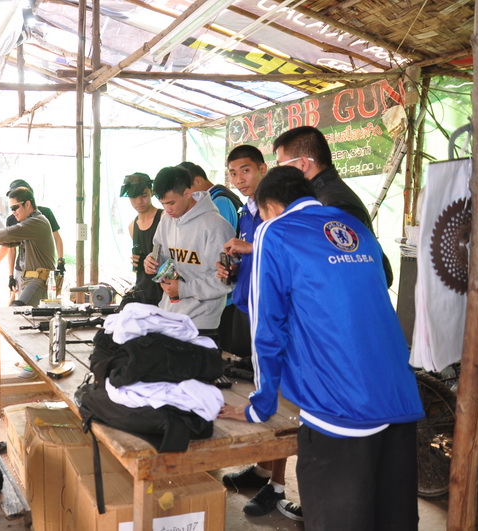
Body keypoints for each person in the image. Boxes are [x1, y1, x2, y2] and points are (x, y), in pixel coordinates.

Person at [219, 167, 424, 531]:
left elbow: (267, 327)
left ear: (270, 207)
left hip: (339, 406)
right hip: (400, 398)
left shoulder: (274, 231)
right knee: (393, 521)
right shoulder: (354, 226)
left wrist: (260, 405)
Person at [216, 146, 302, 521]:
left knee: (281, 403)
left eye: (246, 170)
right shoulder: (246, 211)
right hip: (252, 306)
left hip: (278, 313)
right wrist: (233, 268)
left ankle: (278, 488)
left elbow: (284, 251)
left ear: (264, 169)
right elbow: (255, 260)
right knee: (267, 390)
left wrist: (251, 246)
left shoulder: (283, 212)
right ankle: (264, 469)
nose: (239, 179)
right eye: (233, 173)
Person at [272, 125, 393, 286]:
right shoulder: (317, 198)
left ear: (303, 164)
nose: (279, 174)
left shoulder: (335, 205)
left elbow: (357, 271)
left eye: (281, 165)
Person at [143, 165, 234, 338]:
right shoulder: (166, 220)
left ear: (187, 193)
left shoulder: (216, 226)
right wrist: (151, 261)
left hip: (201, 323)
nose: (167, 209)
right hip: (168, 315)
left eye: (171, 203)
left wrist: (184, 289)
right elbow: (159, 252)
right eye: (163, 204)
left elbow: (225, 282)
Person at [0, 186, 56, 309]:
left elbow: (8, 233)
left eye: (15, 207)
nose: (13, 212)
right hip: (31, 280)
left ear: (28, 204)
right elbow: (10, 243)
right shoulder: (32, 223)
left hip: (38, 281)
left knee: (17, 310)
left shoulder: (37, 222)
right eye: (11, 208)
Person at [4, 179, 64, 300]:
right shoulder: (12, 219)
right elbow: (11, 249)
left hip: (43, 271)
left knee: (44, 303)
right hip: (22, 270)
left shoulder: (45, 213)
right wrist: (11, 276)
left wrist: (61, 261)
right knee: (22, 306)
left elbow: (57, 238)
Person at [119, 172, 163, 307]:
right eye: (134, 197)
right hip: (143, 291)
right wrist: (139, 262)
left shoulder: (164, 218)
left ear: (151, 192)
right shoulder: (132, 226)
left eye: (144, 196)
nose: (139, 201)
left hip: (164, 290)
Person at [178, 161, 242, 231]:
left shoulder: (220, 201)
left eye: (186, 190)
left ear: (197, 181)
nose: (186, 195)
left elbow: (219, 234)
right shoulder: (212, 199)